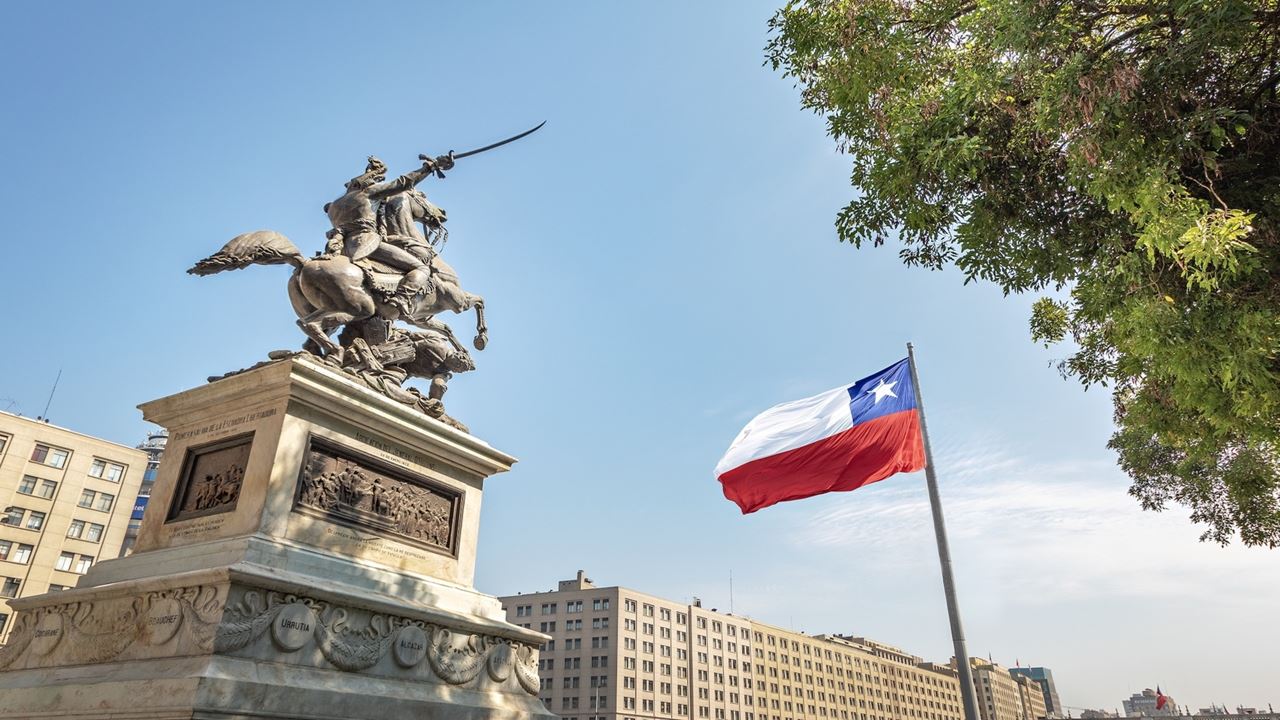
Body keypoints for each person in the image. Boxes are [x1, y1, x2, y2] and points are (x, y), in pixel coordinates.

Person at [323, 154, 454, 315]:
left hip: (342, 247)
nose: (378, 183)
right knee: (421, 268)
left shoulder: (334, 206)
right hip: (364, 243)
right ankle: (401, 299)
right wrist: (429, 167)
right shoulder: (367, 194)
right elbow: (404, 183)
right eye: (378, 180)